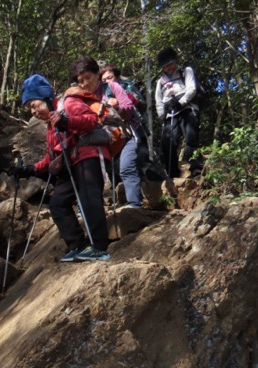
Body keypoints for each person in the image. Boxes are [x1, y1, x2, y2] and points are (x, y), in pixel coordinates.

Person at [13, 65, 120, 262]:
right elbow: (51, 157)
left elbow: (91, 120)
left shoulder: (68, 103)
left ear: (45, 97)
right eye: (29, 108)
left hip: (90, 154)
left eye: (33, 104)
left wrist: (66, 121)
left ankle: (98, 247)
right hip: (72, 162)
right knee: (58, 203)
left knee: (89, 199)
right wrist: (29, 170)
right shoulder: (50, 125)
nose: (33, 111)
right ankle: (78, 246)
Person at [100, 64, 147, 208]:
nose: (108, 81)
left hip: (133, 128)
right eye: (104, 79)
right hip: (114, 135)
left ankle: (139, 200)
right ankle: (130, 199)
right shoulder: (101, 94)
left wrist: (122, 103)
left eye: (110, 77)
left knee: (139, 162)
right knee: (120, 167)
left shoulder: (125, 86)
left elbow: (139, 105)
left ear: (117, 76)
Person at [154, 47, 202, 178]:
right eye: (165, 66)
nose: (168, 68)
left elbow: (192, 89)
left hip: (187, 108)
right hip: (170, 113)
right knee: (168, 142)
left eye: (170, 64)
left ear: (175, 61)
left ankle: (195, 167)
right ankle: (172, 172)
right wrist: (161, 115)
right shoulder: (160, 82)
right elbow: (158, 100)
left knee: (191, 137)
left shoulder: (186, 71)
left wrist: (181, 102)